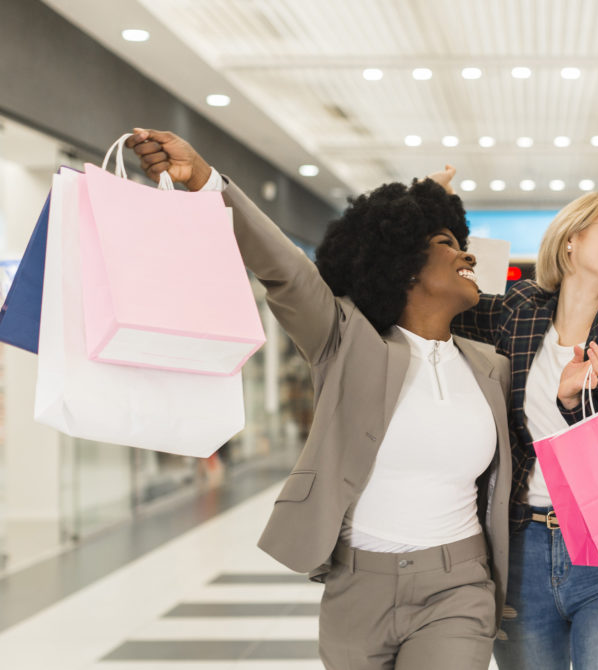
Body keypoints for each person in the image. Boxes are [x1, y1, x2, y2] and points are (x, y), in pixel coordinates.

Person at [126, 129, 512, 670]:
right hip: (358, 590)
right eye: (446, 243)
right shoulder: (346, 341)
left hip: (459, 588)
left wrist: (429, 203)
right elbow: (283, 267)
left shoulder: (491, 365)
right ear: (402, 264)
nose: (465, 253)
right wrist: (209, 183)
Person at [448, 182, 598, 670]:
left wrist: (573, 405)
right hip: (522, 549)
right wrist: (440, 213)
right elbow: (437, 302)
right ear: (572, 238)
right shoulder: (518, 311)